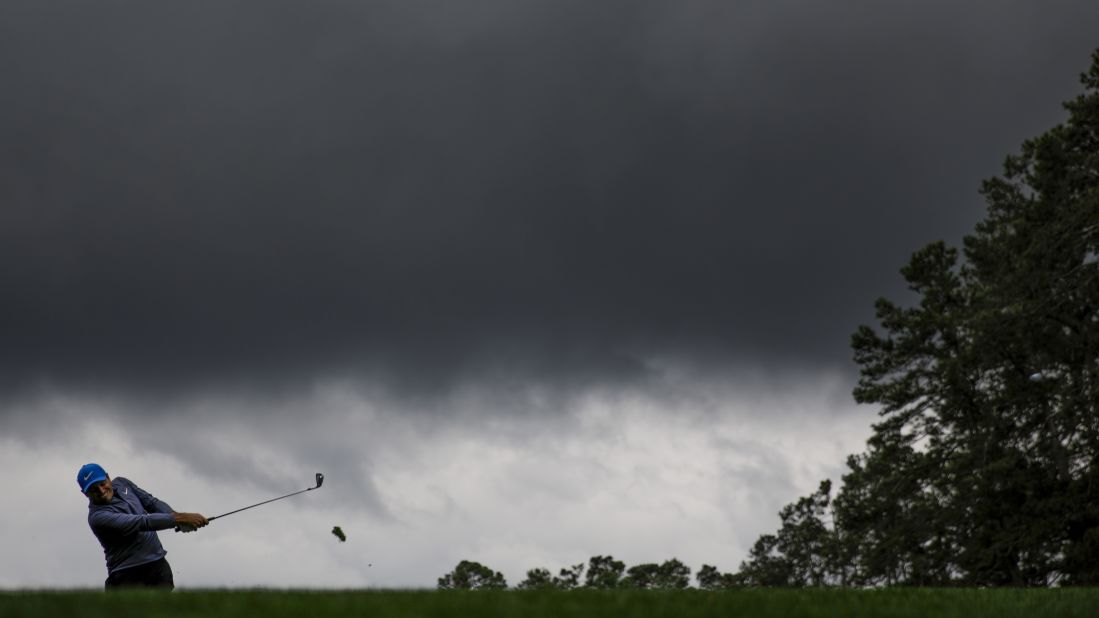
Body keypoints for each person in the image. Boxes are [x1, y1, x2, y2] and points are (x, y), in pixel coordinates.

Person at [78, 463, 209, 590]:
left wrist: (177, 517)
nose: (101, 491)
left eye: (102, 484)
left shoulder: (123, 483)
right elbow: (142, 522)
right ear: (85, 493)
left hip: (158, 566)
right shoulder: (97, 517)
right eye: (94, 489)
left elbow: (151, 503)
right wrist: (179, 519)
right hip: (126, 575)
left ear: (108, 477)